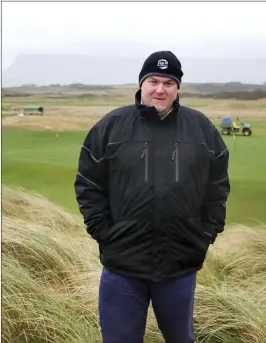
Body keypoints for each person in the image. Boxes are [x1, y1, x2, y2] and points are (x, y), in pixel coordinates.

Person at [74, 50, 230, 343]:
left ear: (178, 88)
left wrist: (205, 234)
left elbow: (218, 186)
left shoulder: (202, 129)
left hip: (179, 265)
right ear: (141, 85)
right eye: (153, 81)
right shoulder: (111, 126)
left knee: (181, 339)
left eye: (168, 82)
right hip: (123, 264)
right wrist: (104, 233)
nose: (160, 89)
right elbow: (88, 184)